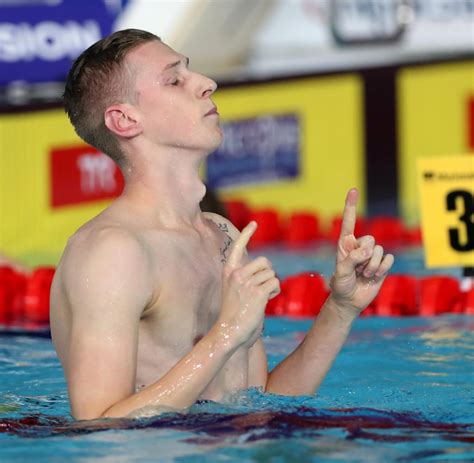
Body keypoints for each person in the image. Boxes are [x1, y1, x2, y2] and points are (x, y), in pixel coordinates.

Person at [50, 29, 394, 421]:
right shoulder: (113, 252)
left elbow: (259, 401)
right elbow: (98, 427)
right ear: (125, 119)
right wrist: (226, 334)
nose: (206, 84)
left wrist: (341, 308)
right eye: (174, 80)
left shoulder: (222, 235)